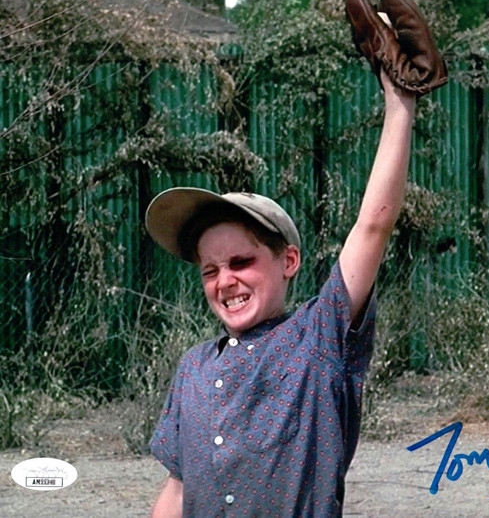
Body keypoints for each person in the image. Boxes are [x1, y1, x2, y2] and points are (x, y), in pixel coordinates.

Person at [145, 64, 416, 517]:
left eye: (241, 262)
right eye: (209, 270)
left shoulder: (318, 338)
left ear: (288, 261)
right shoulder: (192, 368)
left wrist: (399, 102)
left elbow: (374, 225)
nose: (225, 281)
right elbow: (177, 488)